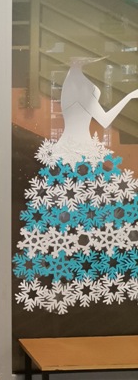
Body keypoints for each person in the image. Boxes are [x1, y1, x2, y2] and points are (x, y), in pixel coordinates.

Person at [14, 62, 138, 314]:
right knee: (88, 216)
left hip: (70, 151)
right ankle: (84, 279)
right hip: (80, 154)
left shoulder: (71, 84)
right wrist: (130, 96)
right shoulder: (81, 87)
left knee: (70, 217)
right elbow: (104, 120)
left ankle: (73, 280)